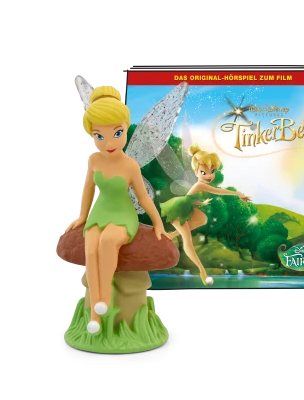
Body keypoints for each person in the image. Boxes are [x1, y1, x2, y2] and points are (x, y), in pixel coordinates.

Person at [64, 85, 170, 334]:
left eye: (117, 132)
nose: (109, 142)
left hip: (123, 214)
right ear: (92, 135)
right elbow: (88, 189)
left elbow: (143, 198)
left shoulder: (130, 165)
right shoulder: (94, 160)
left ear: (125, 128)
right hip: (99, 212)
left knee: (108, 241)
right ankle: (95, 313)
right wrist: (82, 216)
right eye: (99, 136)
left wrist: (157, 222)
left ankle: (104, 299)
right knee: (91, 247)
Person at [160, 144, 251, 286]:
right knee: (187, 240)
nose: (209, 176)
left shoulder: (199, 186)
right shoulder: (200, 185)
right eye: (204, 172)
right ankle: (202, 272)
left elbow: (189, 198)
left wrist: (201, 203)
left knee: (202, 219)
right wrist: (238, 194)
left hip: (186, 208)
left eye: (212, 171)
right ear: (196, 172)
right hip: (178, 211)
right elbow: (218, 191)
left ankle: (172, 235)